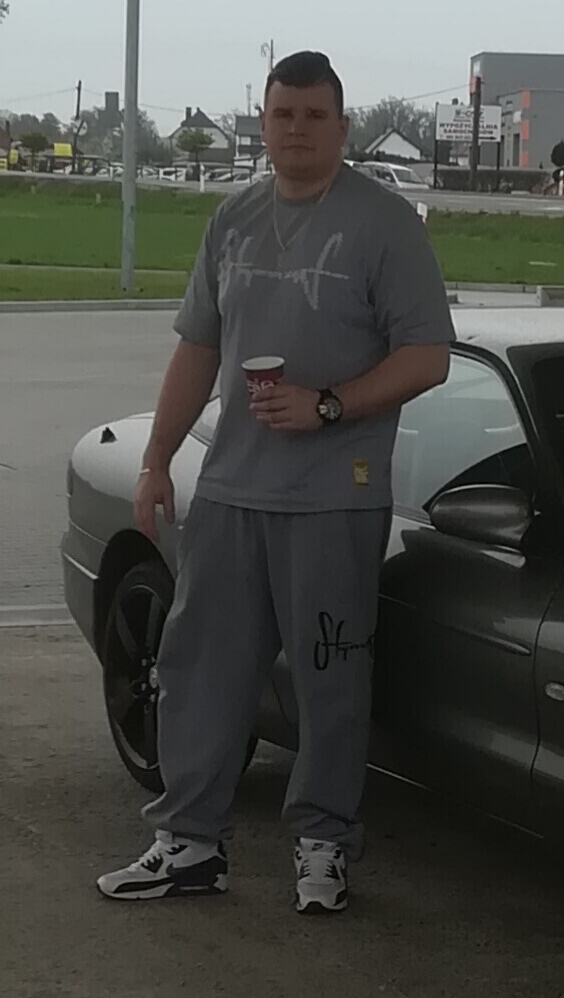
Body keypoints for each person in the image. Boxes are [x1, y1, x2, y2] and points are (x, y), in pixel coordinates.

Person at [95, 51, 454, 913]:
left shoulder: (385, 223)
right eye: (283, 114)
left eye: (314, 115)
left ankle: (323, 849)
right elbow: (198, 348)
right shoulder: (235, 218)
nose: (297, 129)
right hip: (230, 490)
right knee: (198, 668)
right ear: (263, 123)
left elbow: (428, 356)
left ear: (342, 126)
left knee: (330, 678)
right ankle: (189, 844)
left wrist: (327, 405)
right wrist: (156, 460)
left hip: (336, 495)